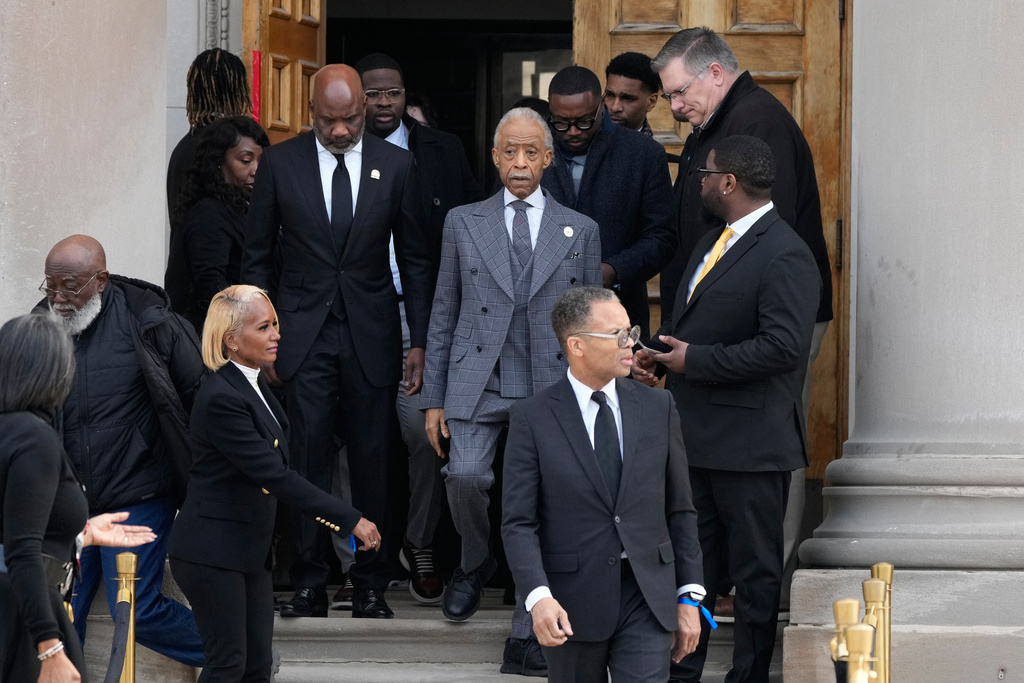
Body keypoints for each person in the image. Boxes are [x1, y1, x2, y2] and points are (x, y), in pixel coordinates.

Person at [651, 25, 834, 615]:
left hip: (762, 325)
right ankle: (725, 583)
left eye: (678, 93)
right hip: (717, 329)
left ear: (714, 72)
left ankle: (767, 585)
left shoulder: (759, 121)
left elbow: (752, 239)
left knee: (766, 452)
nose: (673, 108)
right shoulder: (717, 121)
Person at [242, 63, 433, 620]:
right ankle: (308, 582)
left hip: (373, 333)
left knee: (375, 461)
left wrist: (417, 341)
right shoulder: (281, 163)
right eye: (331, 121)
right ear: (311, 114)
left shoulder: (397, 165)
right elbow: (257, 260)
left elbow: (417, 261)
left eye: (351, 118)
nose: (344, 131)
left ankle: (371, 582)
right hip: (301, 336)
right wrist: (263, 340)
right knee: (305, 461)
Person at [421, 106, 601, 675]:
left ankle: (528, 624)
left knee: (544, 502)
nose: (520, 162)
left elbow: (591, 323)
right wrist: (434, 397)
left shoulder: (580, 230)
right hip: (477, 382)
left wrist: (594, 394)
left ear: (548, 159)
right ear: (495, 158)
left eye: (531, 152)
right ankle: (475, 563)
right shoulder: (462, 222)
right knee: (466, 477)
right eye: (509, 152)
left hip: (550, 386)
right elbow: (444, 309)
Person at [633, 135, 820, 683]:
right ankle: (684, 671)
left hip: (752, 446)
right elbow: (697, 326)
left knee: (756, 574)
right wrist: (661, 357)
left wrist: (697, 361)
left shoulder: (786, 252)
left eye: (705, 174)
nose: (699, 182)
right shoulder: (712, 241)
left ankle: (748, 674)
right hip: (695, 440)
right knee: (696, 570)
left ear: (729, 183)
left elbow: (785, 348)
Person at [168, 285, 381, 682]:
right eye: (264, 327)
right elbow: (275, 475)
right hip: (211, 552)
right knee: (228, 664)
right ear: (231, 340)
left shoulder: (253, 382)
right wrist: (348, 519)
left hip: (247, 550)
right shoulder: (221, 396)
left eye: (275, 324)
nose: (276, 334)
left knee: (256, 667)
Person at [501, 286, 705, 682]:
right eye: (617, 335)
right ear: (576, 345)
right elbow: (518, 523)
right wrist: (538, 598)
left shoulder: (659, 407)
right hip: (571, 602)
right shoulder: (532, 418)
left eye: (630, 331)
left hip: (648, 593)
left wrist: (689, 595)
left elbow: (680, 509)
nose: (632, 343)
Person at [36, 235, 206, 667]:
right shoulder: (40, 328)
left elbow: (199, 398)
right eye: (50, 286)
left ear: (101, 280)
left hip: (140, 492)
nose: (58, 298)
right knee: (60, 613)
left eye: (69, 286)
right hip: (72, 503)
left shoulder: (147, 320)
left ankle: (236, 655)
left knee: (138, 609)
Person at [353, 52, 482, 605]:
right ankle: (358, 556)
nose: (383, 103)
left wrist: (435, 333)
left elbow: (471, 230)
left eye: (393, 93)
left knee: (424, 433)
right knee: (351, 436)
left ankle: (421, 543)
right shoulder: (334, 153)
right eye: (373, 93)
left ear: (406, 95)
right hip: (352, 314)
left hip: (419, 315)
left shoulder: (441, 150)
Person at [0, 313, 157, 683]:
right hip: (22, 619)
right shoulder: (32, 437)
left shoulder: (14, 431)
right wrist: (49, 647)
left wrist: (83, 534)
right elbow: (20, 551)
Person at [541, 65, 675, 338]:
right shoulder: (528, 149)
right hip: (539, 317)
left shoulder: (644, 154)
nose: (573, 131)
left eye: (584, 121)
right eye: (561, 123)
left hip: (617, 318)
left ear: (601, 107)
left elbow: (662, 236)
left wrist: (615, 270)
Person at [166, 48, 252, 311]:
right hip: (221, 297)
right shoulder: (223, 149)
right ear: (239, 90)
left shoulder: (184, 146)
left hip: (185, 286)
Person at [168, 116, 270, 332]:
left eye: (262, 160)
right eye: (245, 160)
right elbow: (213, 288)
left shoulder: (241, 203)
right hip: (217, 339)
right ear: (218, 161)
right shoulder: (208, 213)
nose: (256, 170)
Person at [604, 52, 661, 137]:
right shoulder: (581, 141)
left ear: (651, 102)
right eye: (610, 95)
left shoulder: (653, 149)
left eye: (627, 98)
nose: (615, 108)